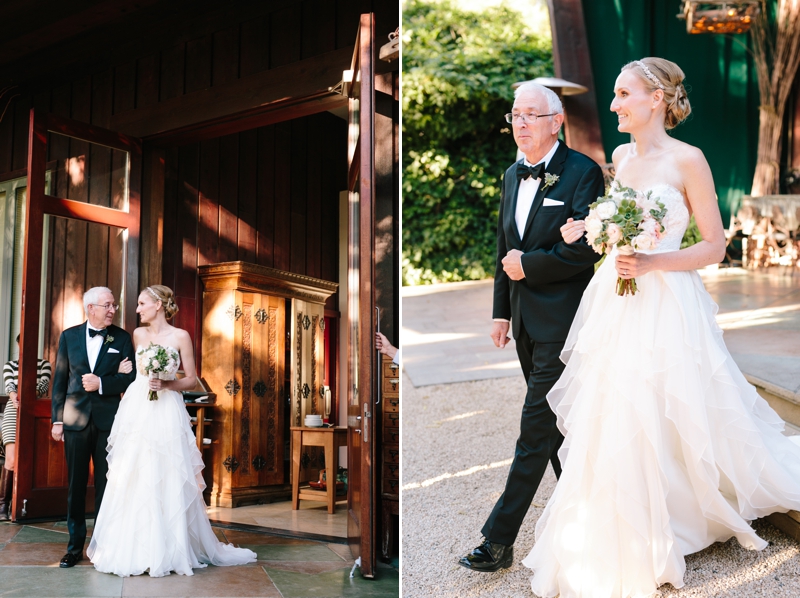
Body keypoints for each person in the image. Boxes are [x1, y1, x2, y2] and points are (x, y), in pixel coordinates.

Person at [522, 57, 800, 598]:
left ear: (656, 99)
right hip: (618, 300)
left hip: (669, 300)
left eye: (623, 94)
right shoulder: (622, 157)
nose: (614, 104)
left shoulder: (688, 159)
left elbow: (714, 245)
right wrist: (595, 231)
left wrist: (652, 262)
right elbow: (619, 228)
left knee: (674, 401)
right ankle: (634, 515)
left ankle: (690, 505)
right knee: (619, 404)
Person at [458, 82, 605, 572]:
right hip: (523, 322)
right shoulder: (509, 175)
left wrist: (531, 267)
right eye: (515, 115)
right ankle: (586, 519)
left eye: (530, 115)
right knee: (556, 430)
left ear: (556, 121)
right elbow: (504, 250)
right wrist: (501, 311)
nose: (519, 124)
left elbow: (586, 249)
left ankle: (499, 541)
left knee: (534, 428)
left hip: (563, 322)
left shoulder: (582, 173)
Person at [87, 285, 256, 577]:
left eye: (141, 303)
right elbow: (127, 373)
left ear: (158, 304)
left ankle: (170, 548)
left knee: (166, 471)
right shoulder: (137, 336)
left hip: (167, 410)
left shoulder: (181, 337)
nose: (137, 309)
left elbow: (190, 379)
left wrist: (166, 384)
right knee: (135, 472)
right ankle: (132, 547)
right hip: (139, 408)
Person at [51, 287, 136, 567]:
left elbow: (131, 377)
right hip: (75, 421)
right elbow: (60, 381)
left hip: (108, 422)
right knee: (76, 486)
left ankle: (102, 547)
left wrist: (103, 383)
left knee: (106, 485)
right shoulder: (69, 336)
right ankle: (74, 547)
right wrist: (57, 420)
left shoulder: (122, 338)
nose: (113, 310)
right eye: (108, 305)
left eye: (114, 305)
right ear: (91, 308)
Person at [1, 334, 51, 520]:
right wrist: (14, 395)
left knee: (31, 460)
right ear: (18, 345)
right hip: (13, 412)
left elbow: (43, 385)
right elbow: (9, 386)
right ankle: (2, 505)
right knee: (12, 459)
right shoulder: (10, 365)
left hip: (34, 410)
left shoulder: (43, 364)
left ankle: (21, 504)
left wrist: (24, 393)